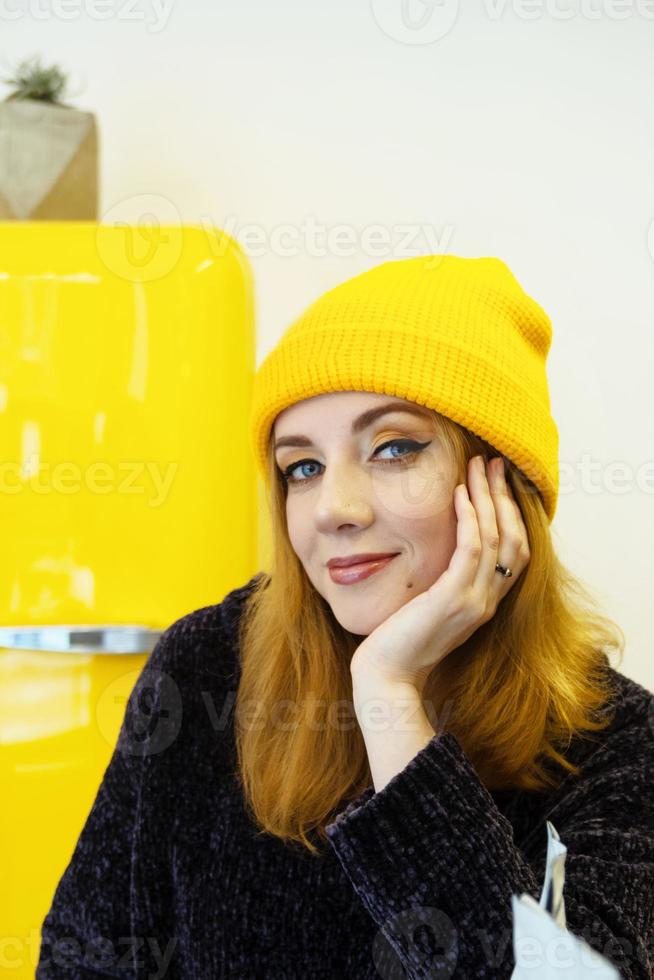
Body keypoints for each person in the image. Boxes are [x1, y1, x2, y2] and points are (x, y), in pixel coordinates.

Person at [36, 254, 654, 979]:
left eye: (393, 448)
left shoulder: (616, 748)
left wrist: (389, 695)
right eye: (303, 467)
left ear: (503, 487)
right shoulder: (205, 666)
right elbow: (85, 962)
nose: (334, 508)